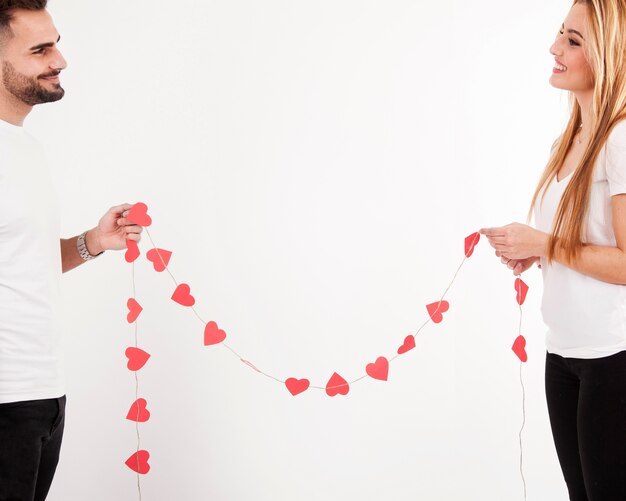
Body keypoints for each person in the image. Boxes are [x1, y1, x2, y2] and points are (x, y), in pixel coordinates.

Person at [481, 0, 626, 499]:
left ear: (609, 55)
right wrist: (535, 253)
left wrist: (544, 243)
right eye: (560, 33)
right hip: (562, 353)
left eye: (573, 41)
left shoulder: (621, 139)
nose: (554, 48)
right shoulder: (566, 143)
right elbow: (578, 246)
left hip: (613, 358)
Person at [0, 1, 142, 500]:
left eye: (55, 42)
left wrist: (93, 243)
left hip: (43, 394)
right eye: (40, 49)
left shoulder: (24, 148)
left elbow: (22, 261)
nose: (60, 59)